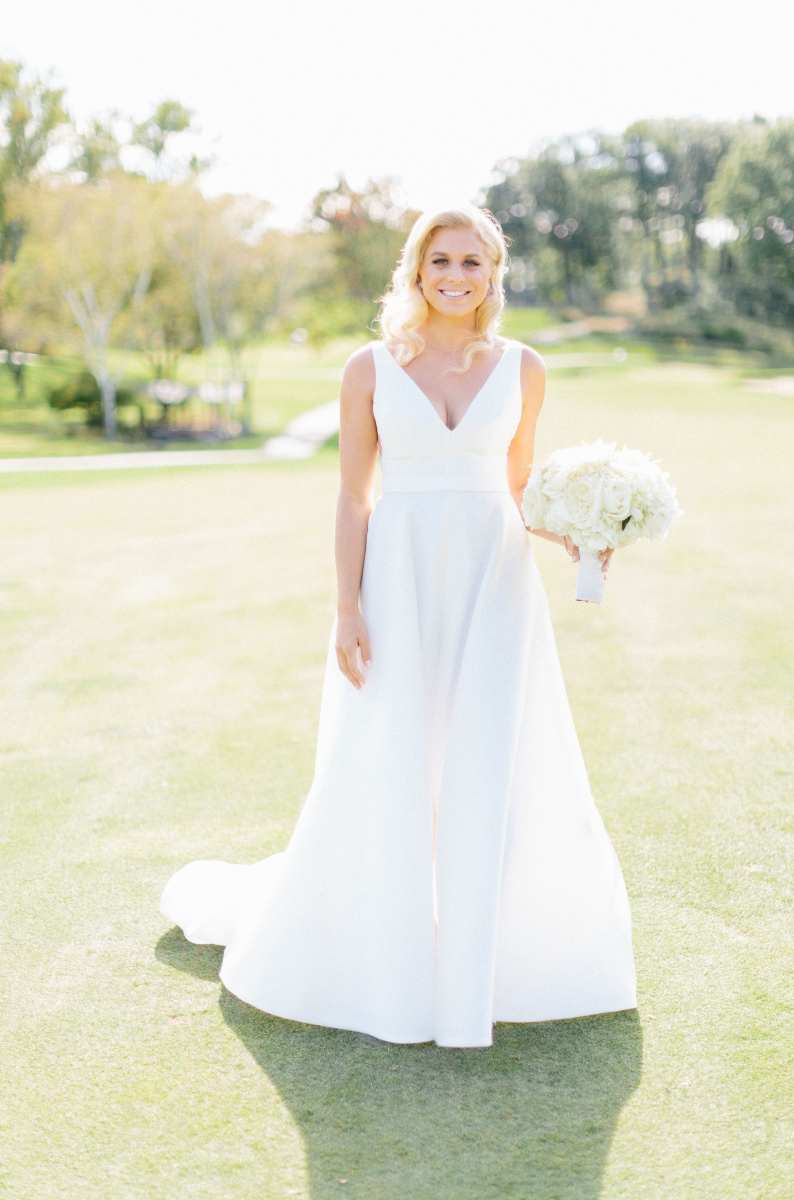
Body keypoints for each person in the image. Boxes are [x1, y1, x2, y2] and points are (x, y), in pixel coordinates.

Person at [159, 203, 637, 1049]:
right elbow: (354, 496)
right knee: (389, 749)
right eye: (441, 260)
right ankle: (386, 954)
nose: (456, 276)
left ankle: (486, 953)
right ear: (417, 270)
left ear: (494, 274)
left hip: (493, 584)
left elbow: (518, 488)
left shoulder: (523, 368)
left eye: (473, 262)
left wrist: (577, 533)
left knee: (489, 753)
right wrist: (347, 607)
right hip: (396, 581)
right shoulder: (370, 368)